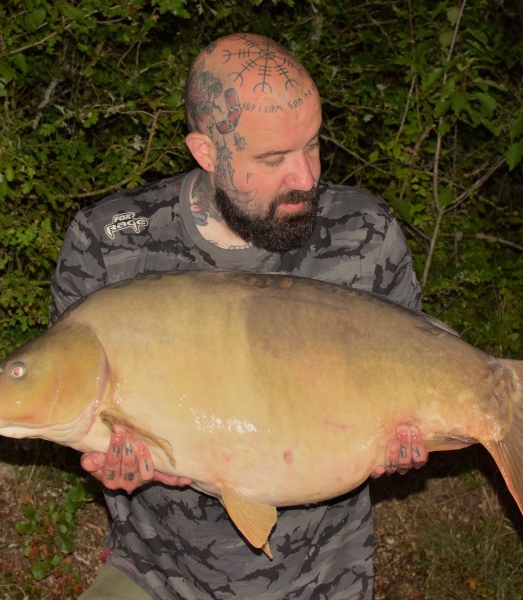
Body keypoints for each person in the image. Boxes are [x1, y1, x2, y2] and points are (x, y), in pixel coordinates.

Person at [50, 32, 428, 600]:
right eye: (273, 159)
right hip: (158, 570)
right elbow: (79, 403)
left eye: (313, 145)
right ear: (206, 153)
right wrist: (104, 459)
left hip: (325, 576)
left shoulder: (365, 233)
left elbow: (414, 376)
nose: (305, 177)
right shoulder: (110, 243)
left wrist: (407, 437)